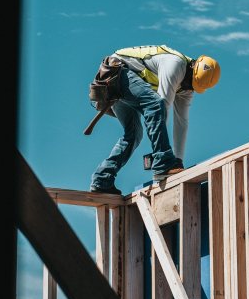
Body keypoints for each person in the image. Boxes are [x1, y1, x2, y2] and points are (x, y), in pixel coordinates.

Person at [89, 44, 220, 194]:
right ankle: (163, 162)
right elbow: (161, 106)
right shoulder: (175, 65)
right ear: (192, 67)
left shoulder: (187, 87)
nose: (187, 87)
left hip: (122, 82)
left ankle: (102, 179)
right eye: (189, 82)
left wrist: (178, 161)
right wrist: (164, 161)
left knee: (134, 135)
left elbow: (181, 123)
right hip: (115, 73)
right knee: (155, 104)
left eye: (192, 86)